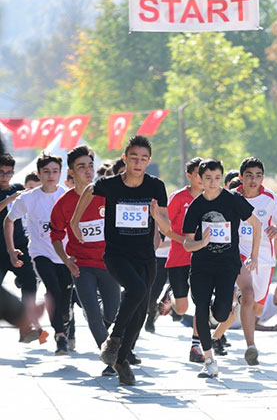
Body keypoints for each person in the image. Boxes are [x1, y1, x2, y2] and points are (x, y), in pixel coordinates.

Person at [71, 135, 171, 386]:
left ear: (149, 161)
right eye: (134, 158)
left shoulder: (156, 186)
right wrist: (75, 220)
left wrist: (157, 220)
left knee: (139, 312)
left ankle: (121, 360)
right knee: (136, 289)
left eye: (144, 159)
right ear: (125, 159)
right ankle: (113, 339)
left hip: (145, 256)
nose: (138, 163)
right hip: (116, 254)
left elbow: (167, 225)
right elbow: (89, 190)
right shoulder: (111, 184)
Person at [182, 159, 262, 379]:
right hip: (201, 266)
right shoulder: (196, 206)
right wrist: (200, 244)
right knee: (200, 309)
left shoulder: (233, 199)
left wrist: (254, 256)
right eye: (208, 178)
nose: (213, 182)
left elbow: (257, 225)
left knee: (221, 313)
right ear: (200, 179)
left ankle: (223, 306)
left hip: (227, 265)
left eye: (217, 178)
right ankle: (208, 360)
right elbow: (187, 242)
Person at [49, 146, 121, 376]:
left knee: (111, 312)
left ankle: (102, 318)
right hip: (82, 265)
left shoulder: (105, 196)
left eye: (90, 165)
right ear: (71, 172)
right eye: (82, 167)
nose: (88, 171)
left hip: (109, 263)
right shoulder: (63, 204)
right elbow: (56, 236)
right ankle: (111, 359)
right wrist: (66, 259)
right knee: (91, 312)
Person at [211, 157, 277, 364]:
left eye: (258, 176)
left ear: (263, 177)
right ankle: (251, 347)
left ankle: (216, 336)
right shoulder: (230, 197)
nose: (254, 180)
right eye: (249, 176)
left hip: (264, 258)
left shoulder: (271, 199)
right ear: (240, 177)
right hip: (238, 253)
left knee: (256, 308)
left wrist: (275, 231)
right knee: (248, 295)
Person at [6, 153, 70, 355]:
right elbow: (9, 220)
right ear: (39, 173)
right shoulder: (29, 198)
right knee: (53, 291)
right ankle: (60, 337)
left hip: (65, 255)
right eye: (46, 172)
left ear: (61, 173)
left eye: (55, 171)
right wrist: (11, 249)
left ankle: (66, 324)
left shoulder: (68, 195)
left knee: (65, 298)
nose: (51, 176)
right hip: (40, 252)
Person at [157, 157, 204, 362]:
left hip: (203, 260)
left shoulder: (212, 197)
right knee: (182, 308)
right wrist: (186, 242)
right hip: (179, 258)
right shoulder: (178, 198)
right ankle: (170, 298)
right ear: (189, 176)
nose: (202, 179)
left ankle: (196, 346)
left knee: (202, 303)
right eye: (197, 175)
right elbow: (165, 228)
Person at [0, 153, 41, 343]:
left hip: (20, 248)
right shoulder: (11, 194)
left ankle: (27, 325)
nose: (5, 176)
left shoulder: (18, 188)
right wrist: (9, 199)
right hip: (0, 252)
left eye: (9, 173)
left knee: (30, 281)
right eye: (1, 172)